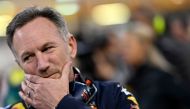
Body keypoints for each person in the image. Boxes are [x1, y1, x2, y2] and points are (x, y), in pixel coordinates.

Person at [3, 7, 139, 109]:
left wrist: (62, 103)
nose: (42, 65)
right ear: (20, 65)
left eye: (47, 48)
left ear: (71, 46)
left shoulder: (113, 95)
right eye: (28, 57)